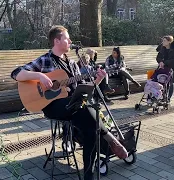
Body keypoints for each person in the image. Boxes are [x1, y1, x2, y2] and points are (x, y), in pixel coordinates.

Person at [11, 25, 128, 180]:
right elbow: (16, 73)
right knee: (86, 111)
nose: (71, 41)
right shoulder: (45, 60)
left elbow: (85, 87)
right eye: (67, 38)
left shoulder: (73, 64)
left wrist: (98, 80)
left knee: (91, 130)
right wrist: (39, 76)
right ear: (57, 40)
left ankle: (89, 176)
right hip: (53, 106)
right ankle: (111, 139)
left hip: (76, 106)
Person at [156, 35, 174, 103]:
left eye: (164, 41)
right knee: (163, 82)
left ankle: (168, 98)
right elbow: (158, 57)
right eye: (163, 40)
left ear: (169, 42)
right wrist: (161, 62)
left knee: (171, 82)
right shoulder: (163, 48)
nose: (163, 42)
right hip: (166, 67)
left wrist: (164, 62)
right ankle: (164, 97)